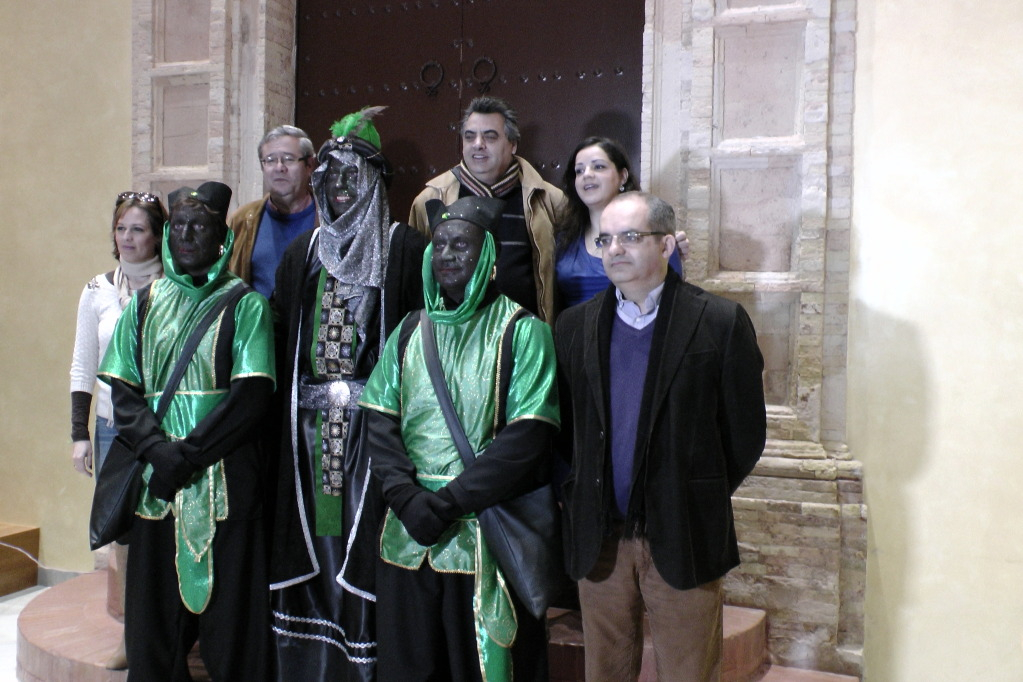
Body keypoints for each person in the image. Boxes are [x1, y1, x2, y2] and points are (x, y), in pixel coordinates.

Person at [553, 191, 766, 681]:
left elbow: (745, 433)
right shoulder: (574, 326)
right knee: (605, 670)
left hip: (683, 530)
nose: (614, 249)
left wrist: (695, 492)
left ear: (666, 244)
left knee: (689, 672)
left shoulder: (718, 322)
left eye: (631, 237)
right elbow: (564, 430)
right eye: (605, 239)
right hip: (601, 538)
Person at [360, 195, 560, 682]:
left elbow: (527, 437)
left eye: (463, 246)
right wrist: (407, 498)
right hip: (409, 536)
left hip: (484, 533)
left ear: (488, 257)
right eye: (441, 245)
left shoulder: (523, 331)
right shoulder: (408, 330)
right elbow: (379, 421)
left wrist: (445, 503)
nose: (447, 255)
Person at [267, 107, 426, 681]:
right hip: (309, 435)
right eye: (329, 175)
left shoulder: (404, 248)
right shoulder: (302, 254)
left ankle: (363, 655)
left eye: (351, 176)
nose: (339, 187)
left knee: (359, 539)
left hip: (372, 432)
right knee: (317, 535)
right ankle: (311, 657)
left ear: (373, 182)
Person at [99, 181, 276, 682]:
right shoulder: (144, 305)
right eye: (179, 225)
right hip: (159, 492)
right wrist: (159, 450)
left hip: (228, 487)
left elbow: (250, 398)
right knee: (153, 625)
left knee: (235, 623)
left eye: (200, 226)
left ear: (222, 237)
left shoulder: (246, 305)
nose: (187, 234)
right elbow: (125, 393)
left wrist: (186, 457)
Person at [69, 190, 167, 670]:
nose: (128, 238)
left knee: (165, 529)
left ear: (157, 235)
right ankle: (131, 636)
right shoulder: (97, 290)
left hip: (167, 427)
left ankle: (170, 631)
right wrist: (79, 434)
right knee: (123, 537)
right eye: (121, 228)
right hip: (113, 430)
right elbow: (82, 366)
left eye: (139, 229)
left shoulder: (175, 288)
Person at [408, 96, 564, 322]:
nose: (478, 144)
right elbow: (416, 280)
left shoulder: (548, 199)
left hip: (526, 339)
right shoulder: (431, 199)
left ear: (513, 144)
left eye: (490, 136)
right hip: (452, 339)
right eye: (469, 137)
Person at [554, 136, 688, 309]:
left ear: (623, 176)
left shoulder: (653, 233)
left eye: (598, 166)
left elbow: (674, 299)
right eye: (579, 171)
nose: (587, 174)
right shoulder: (563, 237)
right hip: (574, 333)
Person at [229, 124, 319, 298]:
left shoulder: (328, 219)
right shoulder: (243, 220)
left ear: (309, 165)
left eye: (288, 159)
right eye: (270, 160)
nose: (279, 167)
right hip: (258, 323)